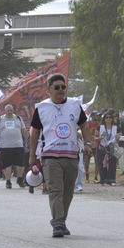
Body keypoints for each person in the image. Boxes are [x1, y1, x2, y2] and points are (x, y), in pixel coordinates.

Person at [28, 73, 92, 238]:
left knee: (67, 192)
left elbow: (84, 125)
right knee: (56, 190)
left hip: (71, 155)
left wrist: (88, 143)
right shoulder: (41, 108)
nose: (61, 90)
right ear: (48, 89)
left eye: (63, 87)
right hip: (50, 156)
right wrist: (32, 157)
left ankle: (61, 221)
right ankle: (57, 224)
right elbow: (34, 132)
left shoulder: (74, 105)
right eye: (57, 87)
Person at [0, 104, 28, 189]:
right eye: (8, 110)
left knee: (21, 164)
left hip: (18, 145)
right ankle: (8, 181)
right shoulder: (0, 119)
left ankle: (19, 179)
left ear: (13, 110)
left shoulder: (18, 118)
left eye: (11, 110)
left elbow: (23, 129)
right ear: (5, 111)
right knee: (7, 165)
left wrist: (27, 137)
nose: (9, 112)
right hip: (5, 146)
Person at [98, 113, 118, 186]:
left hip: (112, 146)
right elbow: (95, 137)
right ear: (104, 119)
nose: (108, 119)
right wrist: (100, 138)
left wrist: (118, 138)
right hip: (102, 146)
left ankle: (111, 180)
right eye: (106, 117)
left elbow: (119, 136)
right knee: (102, 164)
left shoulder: (115, 127)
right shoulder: (100, 127)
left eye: (110, 117)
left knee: (112, 163)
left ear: (112, 119)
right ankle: (103, 179)